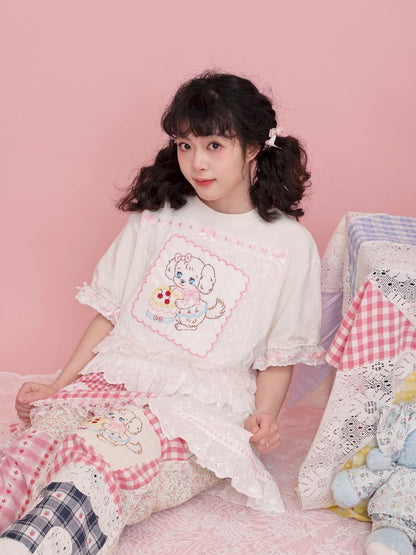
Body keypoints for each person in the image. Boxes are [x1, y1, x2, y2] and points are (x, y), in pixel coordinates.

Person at [0, 71, 324, 553]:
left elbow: (279, 353)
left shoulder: (288, 245)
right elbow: (109, 314)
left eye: (215, 145)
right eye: (185, 145)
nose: (197, 162)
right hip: (116, 378)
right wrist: (59, 385)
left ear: (254, 148)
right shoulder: (159, 216)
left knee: (93, 461)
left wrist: (264, 416)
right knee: (33, 449)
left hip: (197, 408)